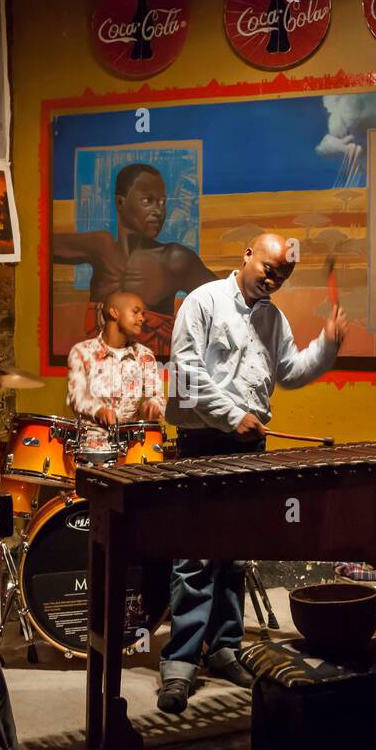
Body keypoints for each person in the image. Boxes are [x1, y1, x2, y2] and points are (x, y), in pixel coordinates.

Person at [158, 233, 347, 713]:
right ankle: (179, 663)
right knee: (195, 556)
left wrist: (326, 347)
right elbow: (183, 372)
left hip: (251, 446)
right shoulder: (202, 302)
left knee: (236, 555)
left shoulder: (273, 318)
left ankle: (224, 648)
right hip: (202, 443)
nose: (273, 278)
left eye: (282, 275)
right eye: (268, 267)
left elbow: (291, 371)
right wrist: (230, 415)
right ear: (246, 254)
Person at [52, 163, 216, 357]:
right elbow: (40, 244)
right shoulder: (100, 247)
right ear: (120, 203)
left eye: (162, 202)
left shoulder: (174, 259)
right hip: (100, 373)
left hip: (154, 373)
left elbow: (222, 300)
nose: (159, 211)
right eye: (148, 201)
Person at [65, 290, 165, 449]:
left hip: (132, 447)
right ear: (114, 312)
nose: (142, 318)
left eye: (143, 313)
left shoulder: (145, 355)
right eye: (136, 311)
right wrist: (98, 410)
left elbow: (156, 396)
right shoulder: (82, 352)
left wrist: (153, 404)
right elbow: (76, 397)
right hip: (90, 446)